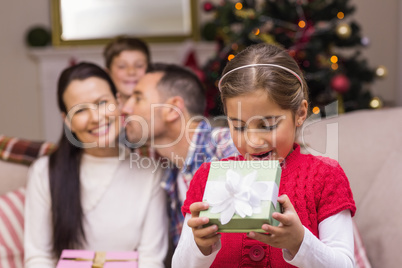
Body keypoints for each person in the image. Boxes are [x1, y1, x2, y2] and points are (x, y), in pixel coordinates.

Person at [172, 43, 356, 267]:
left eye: (267, 126)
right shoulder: (207, 178)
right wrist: (199, 246)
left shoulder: (325, 176)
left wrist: (299, 242)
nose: (253, 141)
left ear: (300, 113)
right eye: (239, 127)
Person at [24, 62, 168, 268]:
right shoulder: (44, 171)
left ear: (118, 102)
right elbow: (38, 257)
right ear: (67, 121)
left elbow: (151, 260)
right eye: (81, 110)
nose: (96, 117)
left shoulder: (150, 171)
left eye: (102, 102)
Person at [121, 63, 239, 247]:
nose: (125, 109)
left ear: (173, 109)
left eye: (137, 98)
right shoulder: (170, 178)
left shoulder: (229, 147)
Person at [103, 36, 151, 108]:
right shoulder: (102, 113)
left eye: (139, 66)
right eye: (122, 66)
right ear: (108, 73)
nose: (131, 72)